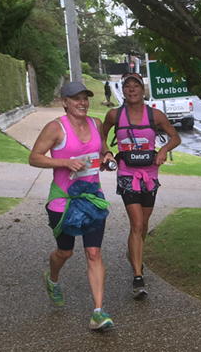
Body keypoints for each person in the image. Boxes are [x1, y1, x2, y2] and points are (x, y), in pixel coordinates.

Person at [29, 81, 116, 331]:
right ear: (65, 102)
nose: (82, 103)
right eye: (76, 98)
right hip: (63, 202)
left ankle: (98, 312)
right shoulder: (55, 128)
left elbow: (103, 148)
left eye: (85, 98)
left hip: (92, 199)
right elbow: (34, 157)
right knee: (65, 252)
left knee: (94, 253)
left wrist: (107, 156)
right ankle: (52, 278)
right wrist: (65, 162)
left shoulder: (96, 123)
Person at [100, 71, 180, 299]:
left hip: (150, 174)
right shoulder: (114, 115)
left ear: (142, 90)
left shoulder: (155, 115)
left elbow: (175, 137)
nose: (132, 89)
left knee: (143, 224)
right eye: (127, 86)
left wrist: (163, 150)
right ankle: (138, 277)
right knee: (136, 223)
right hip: (127, 173)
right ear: (123, 90)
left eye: (136, 86)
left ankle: (133, 253)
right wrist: (107, 153)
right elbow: (100, 137)